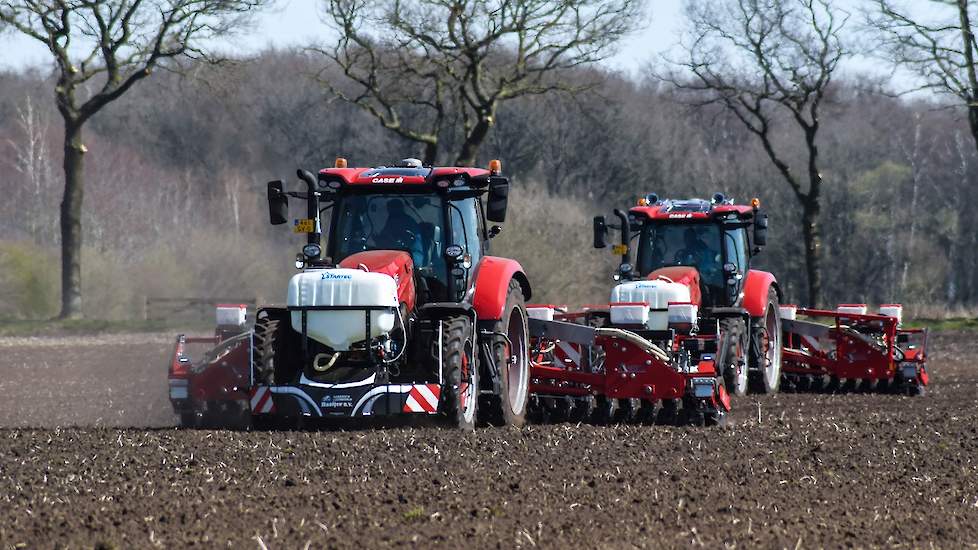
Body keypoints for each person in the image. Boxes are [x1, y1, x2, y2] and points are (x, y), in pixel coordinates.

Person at [378, 198, 424, 266]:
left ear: (399, 209)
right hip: (393, 257)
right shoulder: (391, 221)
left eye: (392, 210)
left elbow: (408, 241)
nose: (390, 212)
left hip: (413, 258)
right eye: (389, 210)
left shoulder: (408, 222)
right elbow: (385, 236)